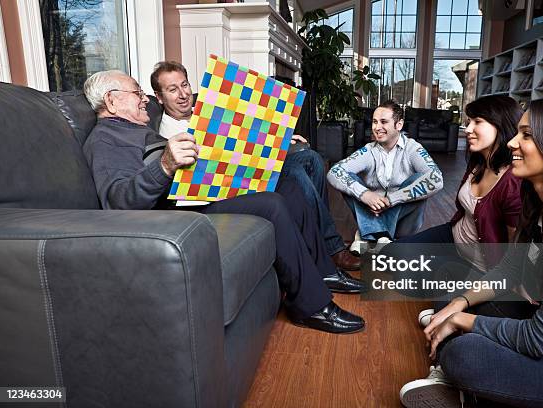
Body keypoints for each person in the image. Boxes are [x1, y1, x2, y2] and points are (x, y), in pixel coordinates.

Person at [81, 69, 366, 334]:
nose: (144, 99)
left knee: (289, 185)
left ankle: (324, 272)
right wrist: (166, 165)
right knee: (271, 203)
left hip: (196, 191)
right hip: (175, 213)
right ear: (112, 100)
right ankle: (312, 307)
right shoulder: (106, 139)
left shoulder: (138, 131)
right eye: (136, 93)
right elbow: (118, 200)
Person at [399, 96, 543, 407]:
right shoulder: (540, 204)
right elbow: (511, 270)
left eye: (526, 135)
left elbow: (540, 341)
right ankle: (473, 387)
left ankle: (462, 380)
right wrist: (458, 304)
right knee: (457, 290)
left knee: (464, 354)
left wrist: (460, 320)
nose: (511, 141)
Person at [151, 60, 360, 271]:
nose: (183, 94)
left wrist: (280, 140)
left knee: (311, 159)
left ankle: (316, 240)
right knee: (294, 170)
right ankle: (331, 249)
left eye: (184, 85)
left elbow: (243, 134)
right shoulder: (169, 133)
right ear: (159, 97)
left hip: (245, 164)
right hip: (224, 183)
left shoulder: (206, 107)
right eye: (172, 89)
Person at [391, 95, 525, 326]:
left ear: (502, 125)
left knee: (444, 322)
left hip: (481, 266)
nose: (469, 129)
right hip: (452, 236)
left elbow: (515, 254)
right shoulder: (478, 161)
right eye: (469, 121)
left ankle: (452, 290)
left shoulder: (513, 181)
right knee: (390, 256)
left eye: (478, 122)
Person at [327, 100, 443, 251]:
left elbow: (437, 179)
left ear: (399, 125)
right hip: (372, 211)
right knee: (348, 178)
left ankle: (366, 235)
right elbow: (334, 172)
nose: (377, 127)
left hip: (403, 223)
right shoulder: (368, 150)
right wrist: (365, 195)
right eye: (374, 122)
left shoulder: (412, 148)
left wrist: (391, 200)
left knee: (418, 179)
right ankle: (382, 237)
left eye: (383, 122)